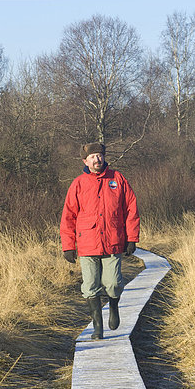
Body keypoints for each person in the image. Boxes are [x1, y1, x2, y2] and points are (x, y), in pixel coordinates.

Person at [60, 142, 140, 340]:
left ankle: (113, 305)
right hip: (87, 244)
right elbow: (68, 216)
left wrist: (131, 238)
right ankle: (98, 327)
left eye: (100, 155)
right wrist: (68, 246)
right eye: (93, 156)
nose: (97, 159)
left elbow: (131, 209)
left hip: (113, 242)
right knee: (90, 286)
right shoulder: (78, 184)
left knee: (113, 283)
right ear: (85, 161)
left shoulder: (117, 179)